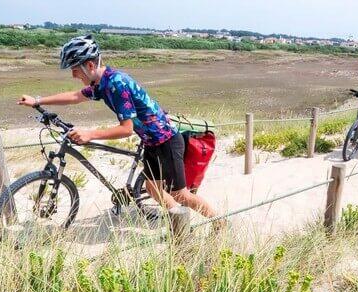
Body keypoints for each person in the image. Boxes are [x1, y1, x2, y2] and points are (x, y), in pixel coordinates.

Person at [18, 35, 219, 221]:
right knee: (153, 189)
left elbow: (126, 129)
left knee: (179, 194)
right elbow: (75, 96)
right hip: (151, 141)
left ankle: (219, 223)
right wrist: (37, 100)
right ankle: (177, 224)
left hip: (166, 140)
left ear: (89, 65)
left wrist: (89, 134)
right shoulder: (100, 83)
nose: (73, 74)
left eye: (75, 69)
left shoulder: (117, 84)